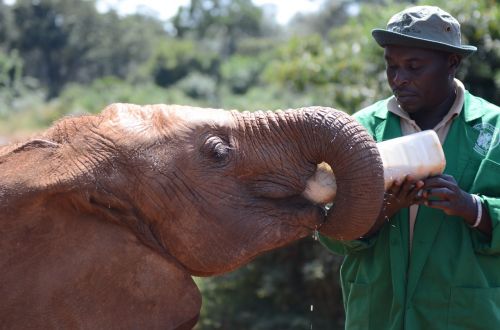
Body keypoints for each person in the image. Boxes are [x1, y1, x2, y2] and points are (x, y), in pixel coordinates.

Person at [319, 5, 500, 329]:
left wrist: (470, 207)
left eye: (414, 67)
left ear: (452, 63)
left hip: (467, 316)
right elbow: (330, 232)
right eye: (392, 66)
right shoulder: (361, 130)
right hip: (377, 316)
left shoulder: (495, 129)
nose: (399, 79)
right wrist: (385, 208)